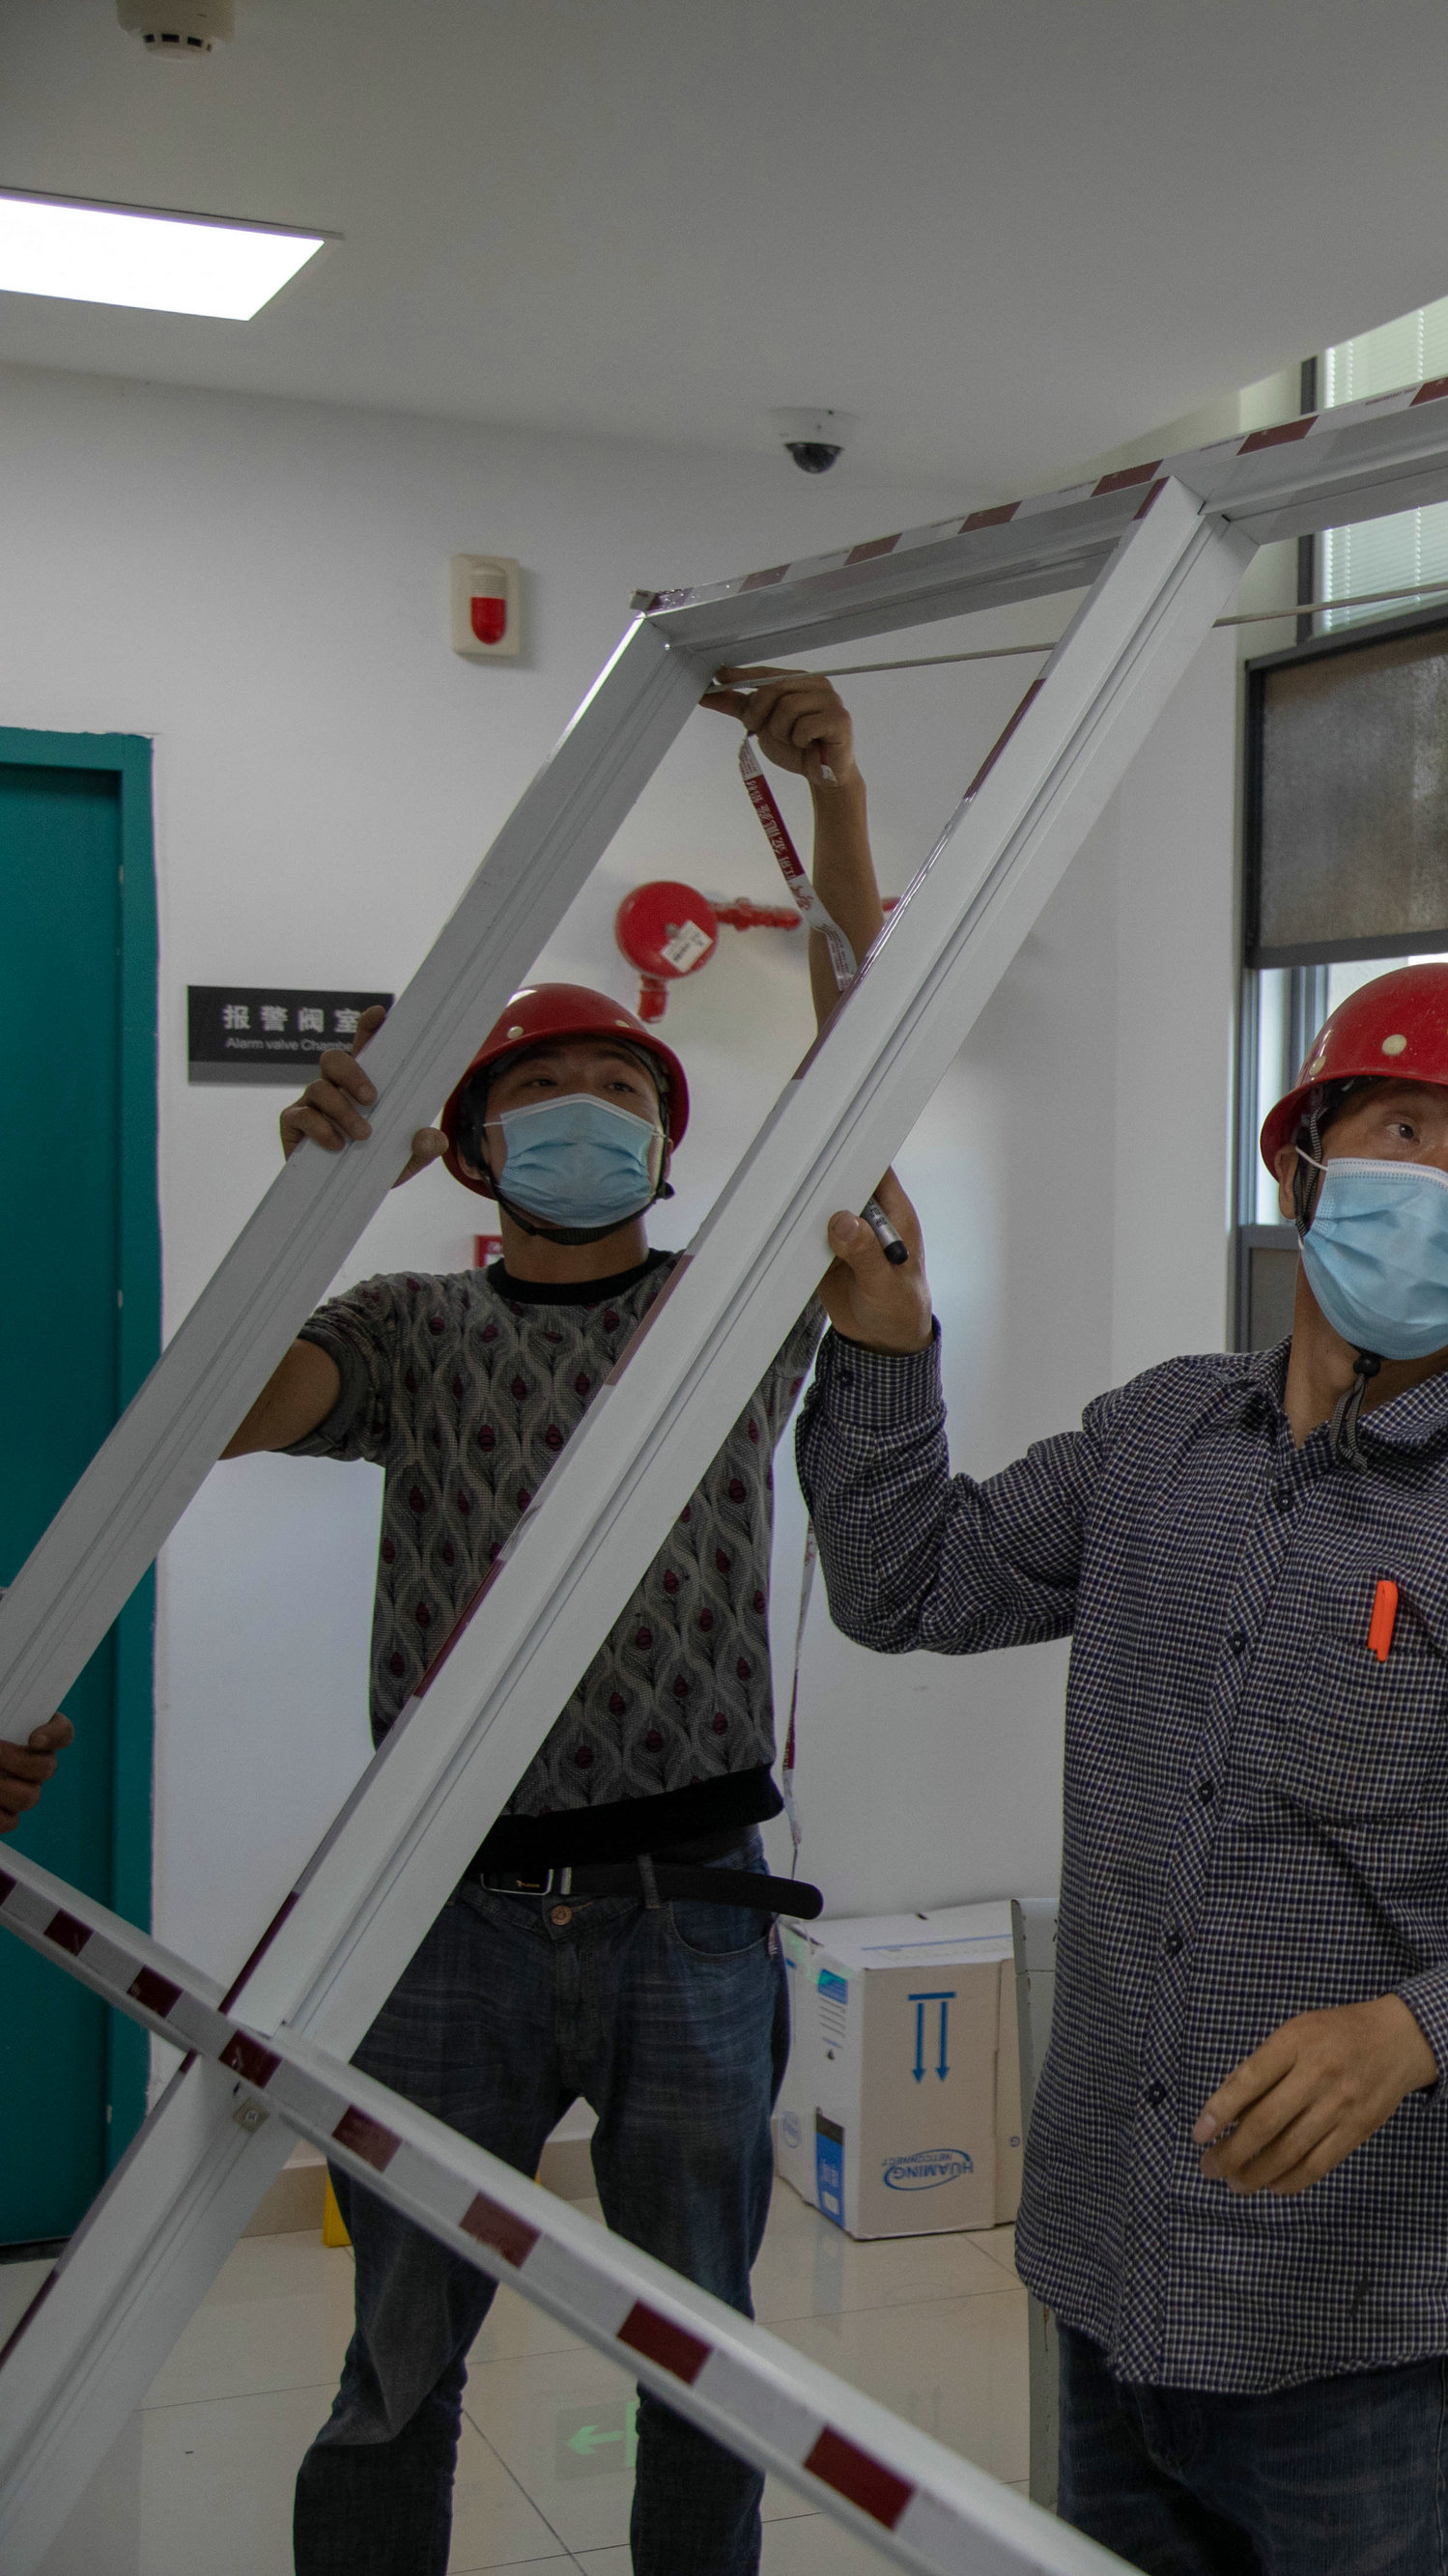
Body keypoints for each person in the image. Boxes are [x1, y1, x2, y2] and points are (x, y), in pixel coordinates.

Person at [789, 961, 1448, 2575]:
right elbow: (910, 1586)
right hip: (1116, 2270)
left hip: (1369, 2326)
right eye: (1402, 1132)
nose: (1439, 1188)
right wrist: (887, 1352)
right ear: (1300, 1165)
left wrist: (1415, 2033)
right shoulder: (1157, 1444)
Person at [192, 667, 885, 2576]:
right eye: (534, 1094)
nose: (586, 1112)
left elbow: (867, 1080)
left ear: (669, 1145)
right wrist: (322, 1190)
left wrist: (834, 802)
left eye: (624, 1093)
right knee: (394, 2366)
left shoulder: (730, 1316)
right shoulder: (408, 1334)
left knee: (701, 2365)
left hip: (692, 1913)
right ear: (473, 1146)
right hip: (450, 1917)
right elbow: (220, 1410)